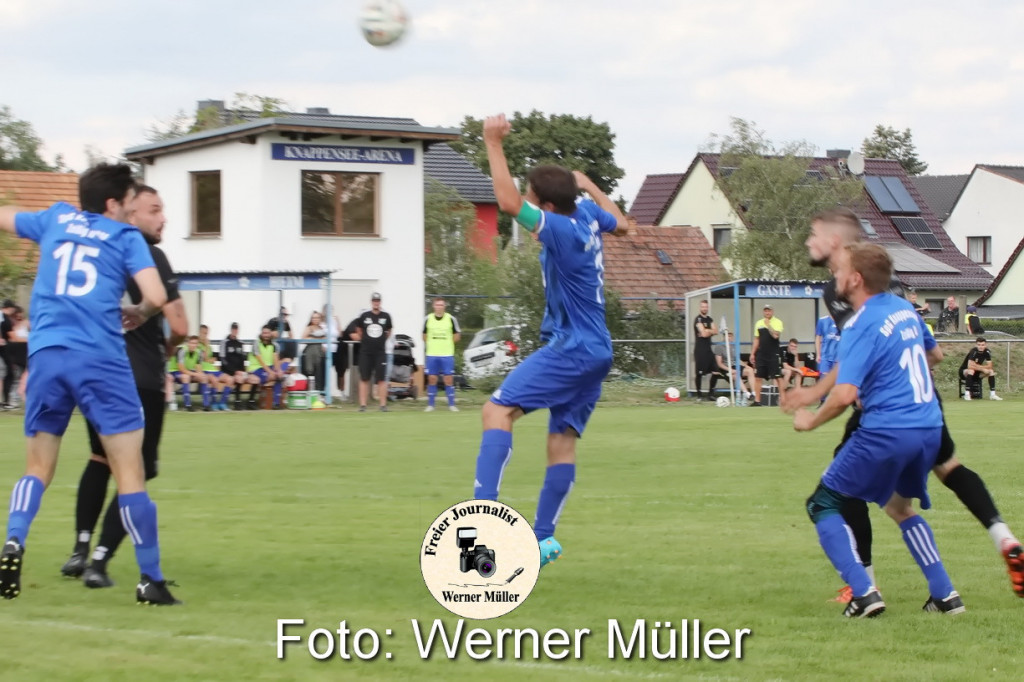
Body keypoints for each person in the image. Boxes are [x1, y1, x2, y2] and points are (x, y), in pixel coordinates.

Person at [785, 207, 1023, 601]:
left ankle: (863, 586)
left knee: (838, 492)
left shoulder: (848, 289)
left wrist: (812, 402)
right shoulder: (887, 283)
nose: (808, 241)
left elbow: (856, 356)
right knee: (933, 478)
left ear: (834, 242)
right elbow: (930, 352)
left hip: (885, 411)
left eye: (813, 233)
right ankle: (976, 563)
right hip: (923, 403)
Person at [0, 163, 178, 604]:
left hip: (45, 356)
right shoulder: (125, 238)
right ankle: (150, 580)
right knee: (130, 472)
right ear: (113, 204)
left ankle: (13, 542)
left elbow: (4, 214)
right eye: (131, 202)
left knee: (37, 469)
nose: (134, 209)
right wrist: (139, 312)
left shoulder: (56, 217)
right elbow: (156, 297)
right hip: (99, 359)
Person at [473, 113, 630, 567]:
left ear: (545, 205)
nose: (527, 199)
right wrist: (590, 186)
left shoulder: (559, 229)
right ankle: (542, 541)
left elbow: (505, 203)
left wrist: (493, 143)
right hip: (597, 349)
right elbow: (623, 225)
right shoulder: (584, 215)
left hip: (573, 346)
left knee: (495, 410)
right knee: (561, 441)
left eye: (533, 196)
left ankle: (485, 515)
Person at [794, 242, 963, 617]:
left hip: (887, 430)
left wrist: (810, 419)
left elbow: (844, 396)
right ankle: (945, 595)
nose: (834, 276)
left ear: (855, 279)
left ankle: (864, 591)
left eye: (838, 270)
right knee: (899, 507)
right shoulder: (905, 309)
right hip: (929, 426)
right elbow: (934, 355)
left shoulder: (859, 323)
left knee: (821, 503)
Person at [59, 184, 188, 591]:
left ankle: (79, 549)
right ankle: (100, 561)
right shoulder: (149, 255)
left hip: (96, 374)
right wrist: (167, 347)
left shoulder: (98, 252)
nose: (162, 217)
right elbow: (181, 326)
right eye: (154, 210)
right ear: (130, 215)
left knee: (100, 460)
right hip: (141, 378)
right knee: (138, 470)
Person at [354, 293, 392, 412]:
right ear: (371, 302)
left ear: (380, 302)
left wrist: (381, 340)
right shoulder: (364, 315)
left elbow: (389, 330)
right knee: (364, 378)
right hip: (366, 352)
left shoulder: (386, 316)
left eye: (378, 301)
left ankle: (382, 405)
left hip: (380, 352)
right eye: (374, 301)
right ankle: (363, 405)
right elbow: (359, 330)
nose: (376, 303)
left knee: (381, 379)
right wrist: (366, 339)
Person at [423, 297, 461, 412]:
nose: (439, 307)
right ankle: (431, 405)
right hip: (432, 354)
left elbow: (457, 335)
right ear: (433, 306)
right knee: (432, 378)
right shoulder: (428, 319)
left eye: (441, 305)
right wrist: (432, 344)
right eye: (437, 305)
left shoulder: (451, 319)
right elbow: (424, 336)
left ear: (444, 307)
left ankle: (451, 405)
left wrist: (447, 344)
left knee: (448, 378)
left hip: (447, 354)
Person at [750, 305, 784, 403]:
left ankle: (783, 399)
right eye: (765, 311)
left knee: (777, 377)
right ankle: (757, 401)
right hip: (761, 354)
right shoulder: (759, 323)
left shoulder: (778, 322)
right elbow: (756, 339)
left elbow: (775, 336)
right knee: (758, 377)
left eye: (769, 311)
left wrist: (768, 325)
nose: (767, 313)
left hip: (773, 354)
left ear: (772, 312)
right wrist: (753, 353)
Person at [247, 326, 285, 409]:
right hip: (256, 368)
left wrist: (278, 370)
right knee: (271, 376)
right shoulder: (256, 343)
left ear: (270, 333)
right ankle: (251, 401)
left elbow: (276, 359)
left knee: (279, 376)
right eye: (264, 333)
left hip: (268, 368)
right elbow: (261, 361)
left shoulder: (275, 345)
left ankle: (276, 403)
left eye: (267, 333)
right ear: (261, 333)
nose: (266, 335)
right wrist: (271, 372)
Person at [173, 335, 212, 412]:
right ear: (188, 343)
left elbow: (198, 367)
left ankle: (206, 405)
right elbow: (181, 369)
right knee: (185, 377)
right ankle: (188, 405)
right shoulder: (182, 351)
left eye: (195, 343)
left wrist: (200, 374)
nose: (193, 345)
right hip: (177, 372)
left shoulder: (199, 352)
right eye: (191, 343)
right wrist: (195, 374)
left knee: (203, 377)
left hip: (190, 372)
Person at [220, 322, 254, 410]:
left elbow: (242, 359)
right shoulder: (224, 342)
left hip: (239, 371)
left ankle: (250, 402)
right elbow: (223, 360)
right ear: (230, 330)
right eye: (233, 329)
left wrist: (244, 371)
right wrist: (234, 371)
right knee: (238, 378)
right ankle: (236, 401)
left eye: (236, 329)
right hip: (228, 371)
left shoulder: (240, 343)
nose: (235, 331)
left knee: (251, 379)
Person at [692, 299, 717, 401]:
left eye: (706, 307)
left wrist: (708, 331)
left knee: (716, 371)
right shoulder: (698, 320)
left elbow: (716, 331)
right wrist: (708, 331)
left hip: (708, 350)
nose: (704, 308)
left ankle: (710, 394)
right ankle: (699, 395)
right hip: (700, 350)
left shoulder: (710, 319)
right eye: (702, 307)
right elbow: (703, 334)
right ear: (700, 307)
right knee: (700, 373)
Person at [814, 314, 840, 379]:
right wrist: (818, 354)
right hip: (825, 357)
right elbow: (818, 337)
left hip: (838, 358)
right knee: (824, 379)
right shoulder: (822, 320)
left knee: (836, 381)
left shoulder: (843, 320)